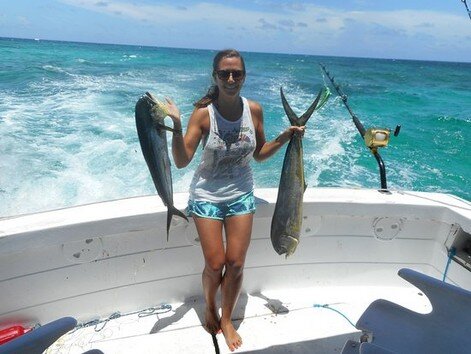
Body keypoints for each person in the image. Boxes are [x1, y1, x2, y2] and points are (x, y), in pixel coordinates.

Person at [164, 49, 304, 352]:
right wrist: (176, 125)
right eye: (224, 73)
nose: (230, 79)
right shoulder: (203, 114)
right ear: (215, 76)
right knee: (215, 264)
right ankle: (209, 307)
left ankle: (226, 319)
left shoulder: (253, 110)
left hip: (241, 192)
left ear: (244, 77)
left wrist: (285, 137)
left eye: (236, 73)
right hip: (206, 194)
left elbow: (259, 153)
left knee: (236, 264)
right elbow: (181, 160)